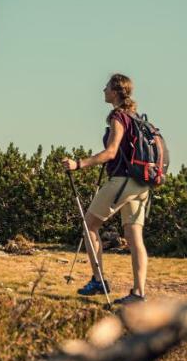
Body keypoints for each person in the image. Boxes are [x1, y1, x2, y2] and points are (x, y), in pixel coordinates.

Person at [61, 73, 152, 304]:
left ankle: (98, 280)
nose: (103, 90)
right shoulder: (136, 117)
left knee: (89, 225)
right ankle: (138, 293)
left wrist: (78, 164)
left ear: (115, 91)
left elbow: (111, 152)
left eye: (106, 87)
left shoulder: (119, 117)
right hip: (142, 183)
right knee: (134, 237)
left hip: (122, 181)